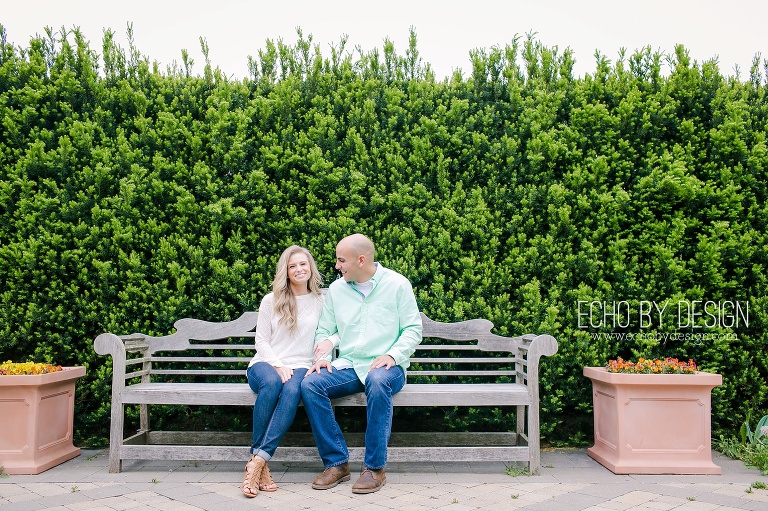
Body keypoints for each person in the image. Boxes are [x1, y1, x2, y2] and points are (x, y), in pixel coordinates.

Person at [301, 233, 422, 494]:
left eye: (341, 260)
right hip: (351, 366)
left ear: (361, 259)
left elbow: (413, 329)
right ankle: (337, 463)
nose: (337, 266)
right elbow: (325, 330)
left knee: (378, 381)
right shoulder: (337, 289)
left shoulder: (398, 285)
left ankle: (374, 469)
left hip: (388, 368)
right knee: (311, 385)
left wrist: (392, 355)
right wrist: (322, 359)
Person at [241, 245, 326, 498]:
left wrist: (324, 351)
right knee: (272, 384)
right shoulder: (272, 300)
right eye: (292, 266)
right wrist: (277, 364)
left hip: (302, 365)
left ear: (310, 266)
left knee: (292, 389)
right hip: (265, 363)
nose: (299, 269)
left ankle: (256, 462)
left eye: (303, 264)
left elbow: (332, 333)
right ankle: (260, 462)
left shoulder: (323, 300)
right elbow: (261, 341)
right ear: (286, 272)